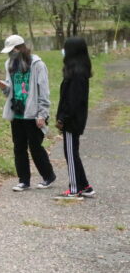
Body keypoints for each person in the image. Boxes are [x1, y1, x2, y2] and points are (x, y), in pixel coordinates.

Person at [0, 34, 56, 192]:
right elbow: (10, 90)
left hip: (33, 112)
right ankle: (23, 180)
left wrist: (42, 114)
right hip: (17, 112)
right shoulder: (9, 63)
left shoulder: (37, 65)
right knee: (19, 147)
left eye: (13, 50)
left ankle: (48, 176)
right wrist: (4, 88)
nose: (11, 54)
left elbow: (43, 91)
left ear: (20, 48)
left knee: (35, 146)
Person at [54, 37, 95, 199]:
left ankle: (74, 188)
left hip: (72, 121)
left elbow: (73, 100)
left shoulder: (78, 74)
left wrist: (62, 118)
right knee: (72, 152)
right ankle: (85, 185)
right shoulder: (76, 71)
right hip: (73, 119)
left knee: (70, 153)